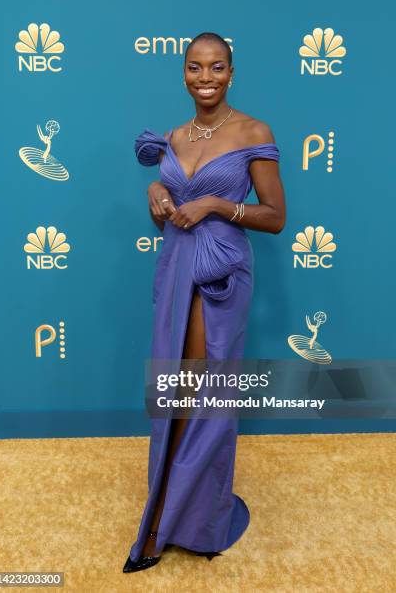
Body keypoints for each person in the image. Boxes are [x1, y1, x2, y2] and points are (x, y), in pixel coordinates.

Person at [123, 31, 286, 573]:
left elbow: (275, 217)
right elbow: (165, 208)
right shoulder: (174, 135)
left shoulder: (252, 130)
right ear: (184, 73)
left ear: (232, 73)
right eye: (195, 68)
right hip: (174, 266)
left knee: (200, 388)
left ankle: (172, 517)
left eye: (217, 67)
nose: (206, 78)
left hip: (220, 271)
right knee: (172, 386)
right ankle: (173, 507)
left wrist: (218, 203)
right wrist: (156, 194)